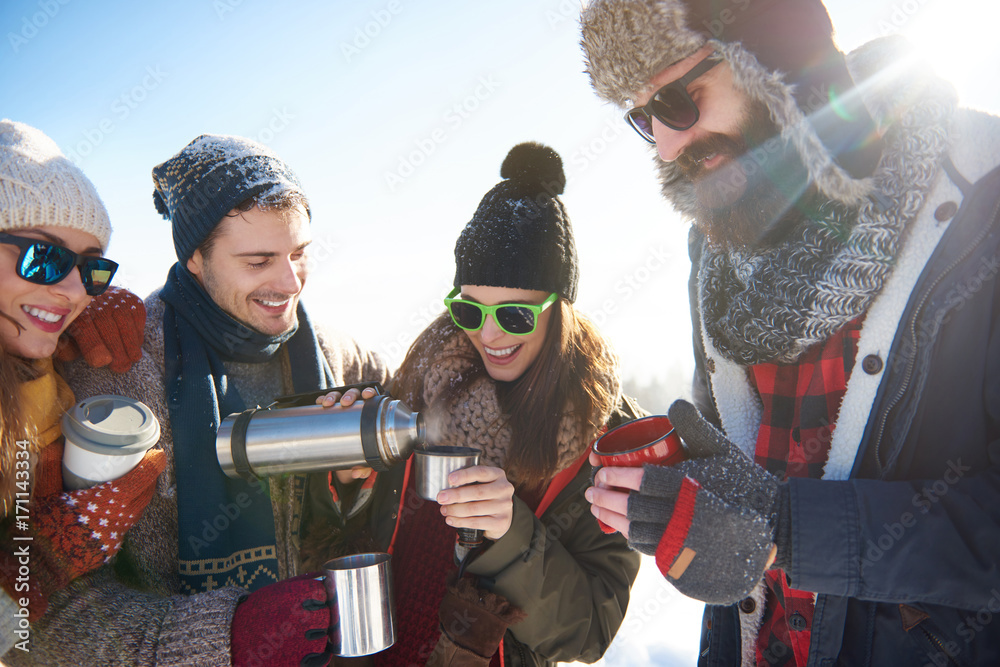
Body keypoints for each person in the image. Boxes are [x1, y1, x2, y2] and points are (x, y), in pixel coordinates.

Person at [579, 0, 1000, 665]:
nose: (665, 144)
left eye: (677, 99)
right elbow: (743, 501)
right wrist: (696, 516)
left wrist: (785, 530)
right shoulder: (714, 256)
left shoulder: (984, 206)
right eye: (642, 117)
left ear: (771, 63)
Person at [9, 134, 390, 666]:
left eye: (299, 253)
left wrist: (356, 481)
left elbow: (381, 519)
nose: (289, 281)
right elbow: (54, 614)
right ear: (194, 258)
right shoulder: (113, 371)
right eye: (258, 262)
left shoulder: (343, 359)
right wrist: (224, 637)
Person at [320, 142, 641, 667]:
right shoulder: (421, 381)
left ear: (560, 310)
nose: (488, 333)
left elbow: (589, 632)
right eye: (469, 310)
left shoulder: (604, 435)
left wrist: (509, 532)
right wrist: (353, 478)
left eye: (514, 316)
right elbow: (361, 530)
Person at [0, 119, 163, 657]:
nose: (73, 291)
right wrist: (41, 560)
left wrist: (66, 321)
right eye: (43, 258)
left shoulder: (34, 369)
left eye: (93, 270)